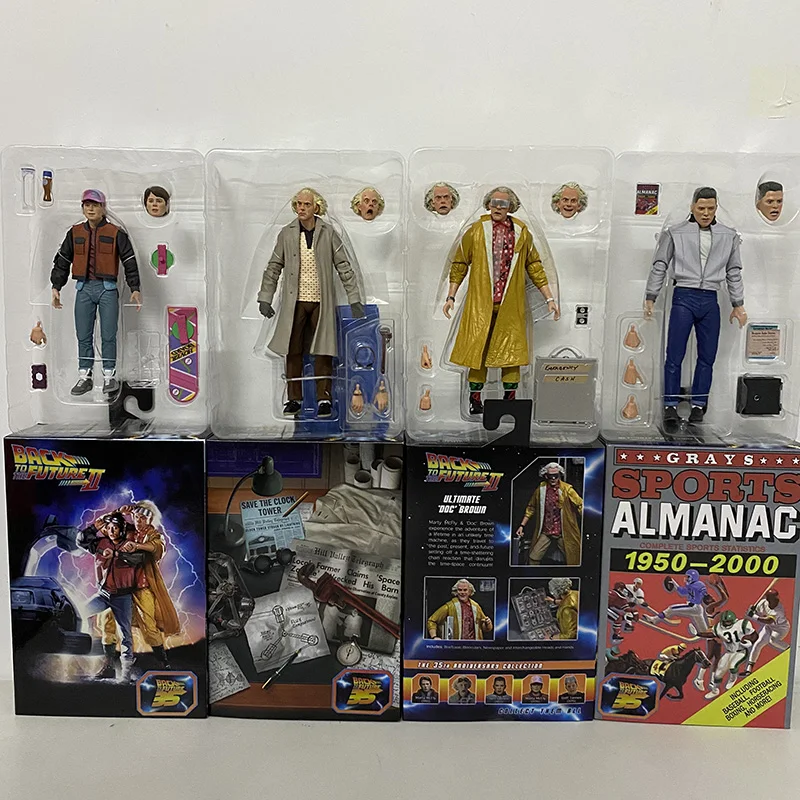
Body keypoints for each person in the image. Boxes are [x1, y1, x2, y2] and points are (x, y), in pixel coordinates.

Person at [442, 186, 559, 415]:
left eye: (503, 204)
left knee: (511, 355)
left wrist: (550, 298)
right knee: (477, 354)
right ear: (487, 204)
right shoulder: (475, 232)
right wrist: (450, 296)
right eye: (494, 202)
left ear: (511, 207)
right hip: (480, 305)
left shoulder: (522, 233)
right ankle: (475, 400)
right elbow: (459, 264)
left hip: (511, 305)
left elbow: (534, 266)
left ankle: (510, 401)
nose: (497, 207)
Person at [644, 187, 747, 428]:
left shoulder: (728, 235)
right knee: (674, 355)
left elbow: (733, 271)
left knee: (707, 356)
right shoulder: (675, 233)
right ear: (692, 207)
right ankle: (670, 404)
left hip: (710, 298)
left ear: (716, 208)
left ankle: (699, 404)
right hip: (684, 296)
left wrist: (738, 303)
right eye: (701, 208)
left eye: (711, 208)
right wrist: (651, 295)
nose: (706, 213)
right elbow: (660, 265)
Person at [258, 187, 365, 418]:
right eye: (298, 204)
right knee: (292, 349)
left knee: (324, 350)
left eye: (306, 204)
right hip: (294, 302)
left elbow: (344, 266)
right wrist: (265, 298)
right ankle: (293, 398)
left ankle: (324, 398)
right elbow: (274, 267)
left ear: (316, 206)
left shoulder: (328, 233)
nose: (301, 208)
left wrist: (355, 299)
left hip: (321, 302)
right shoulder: (287, 234)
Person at [51, 189, 142, 396]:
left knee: (109, 335)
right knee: (83, 335)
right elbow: (63, 260)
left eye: (95, 205)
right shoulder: (74, 233)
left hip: (107, 289)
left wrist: (135, 288)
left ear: (103, 208)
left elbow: (129, 261)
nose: (90, 209)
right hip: (83, 288)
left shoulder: (116, 233)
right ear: (82, 207)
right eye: (87, 205)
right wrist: (56, 286)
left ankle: (109, 375)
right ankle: (85, 376)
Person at [78, 511, 141, 681]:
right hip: (103, 594)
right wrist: (95, 527)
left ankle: (126, 674)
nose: (112, 531)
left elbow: (139, 558)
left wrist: (117, 554)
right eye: (109, 528)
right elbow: (81, 540)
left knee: (125, 634)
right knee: (80, 611)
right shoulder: (102, 542)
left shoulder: (130, 545)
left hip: (122, 597)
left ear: (122, 530)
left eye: (116, 528)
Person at [119, 502, 181, 668]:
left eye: (143, 518)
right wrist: (120, 512)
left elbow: (156, 547)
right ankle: (110, 661)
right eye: (136, 517)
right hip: (122, 587)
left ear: (150, 519)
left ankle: (163, 662)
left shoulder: (154, 536)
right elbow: (108, 527)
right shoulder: (128, 531)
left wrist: (137, 546)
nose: (139, 521)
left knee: (148, 625)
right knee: (109, 620)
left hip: (142, 587)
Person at [515, 462, 583, 565]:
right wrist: (522, 525)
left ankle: (571, 575)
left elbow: (580, 504)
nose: (553, 478)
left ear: (560, 475)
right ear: (546, 476)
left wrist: (589, 520)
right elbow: (531, 508)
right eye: (551, 476)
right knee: (533, 557)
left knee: (573, 557)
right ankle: (533, 575)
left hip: (563, 532)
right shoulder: (541, 489)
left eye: (556, 475)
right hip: (546, 531)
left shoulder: (567, 489)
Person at [695, 610, 757, 699]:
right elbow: (711, 634)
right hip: (729, 652)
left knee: (733, 666)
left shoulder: (741, 624)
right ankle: (715, 690)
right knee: (718, 674)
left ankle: (732, 679)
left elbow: (754, 634)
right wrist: (698, 634)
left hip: (740, 651)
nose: (727, 624)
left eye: (728, 622)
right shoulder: (718, 628)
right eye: (725, 622)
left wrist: (750, 642)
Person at [427, 579, 493, 640]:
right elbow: (432, 621)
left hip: (474, 645)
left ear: (470, 591)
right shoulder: (450, 606)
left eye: (465, 590)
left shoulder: (476, 607)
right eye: (460, 590)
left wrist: (487, 623)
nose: (462, 592)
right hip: (455, 645)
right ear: (456, 591)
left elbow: (485, 628)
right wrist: (434, 637)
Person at [744, 589, 791, 675]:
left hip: (781, 628)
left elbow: (768, 620)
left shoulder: (778, 610)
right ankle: (748, 670)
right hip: (769, 627)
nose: (776, 599)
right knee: (758, 644)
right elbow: (757, 611)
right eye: (773, 598)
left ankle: (791, 650)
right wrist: (752, 609)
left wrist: (753, 616)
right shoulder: (763, 603)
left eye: (776, 597)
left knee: (773, 640)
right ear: (768, 598)